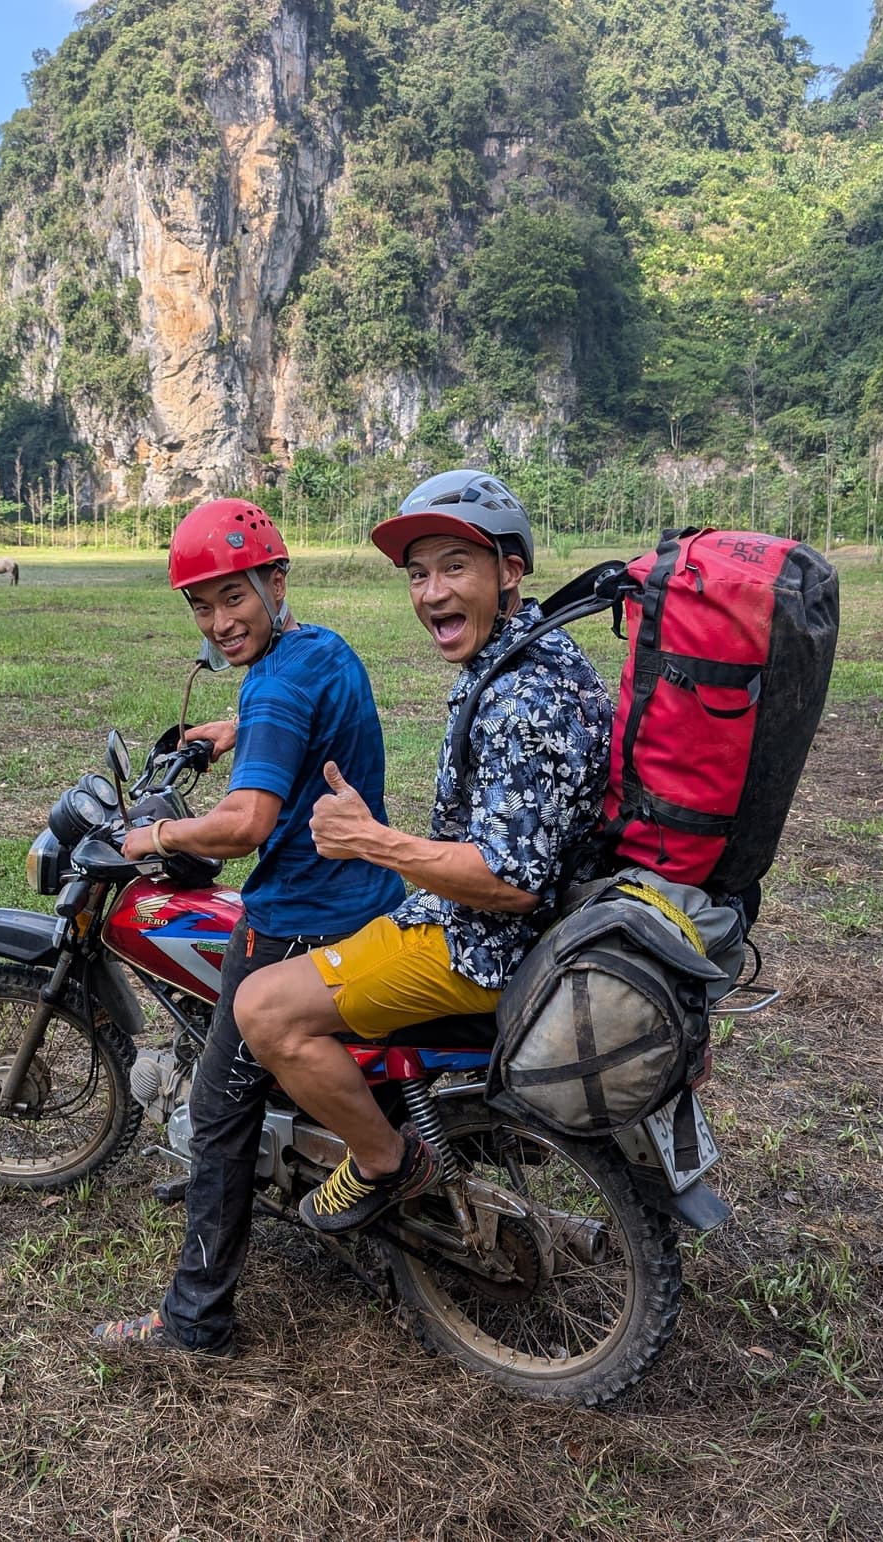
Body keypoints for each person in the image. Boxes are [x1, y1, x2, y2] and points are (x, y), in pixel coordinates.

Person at [236, 469, 614, 1234]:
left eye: (454, 566)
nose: (432, 593)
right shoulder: (530, 657)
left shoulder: (520, 698)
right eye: (417, 574)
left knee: (262, 1009)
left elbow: (508, 883)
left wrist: (371, 841)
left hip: (487, 947)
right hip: (508, 926)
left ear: (510, 571)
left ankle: (386, 1159)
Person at [93, 497, 404, 1355]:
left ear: (275, 579)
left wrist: (152, 835)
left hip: (296, 920)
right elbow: (304, 714)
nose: (220, 621)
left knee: (217, 1112)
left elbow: (245, 826)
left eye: (235, 597)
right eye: (201, 605)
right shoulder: (322, 649)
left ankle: (194, 1319)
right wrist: (240, 727)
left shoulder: (278, 679)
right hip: (364, 902)